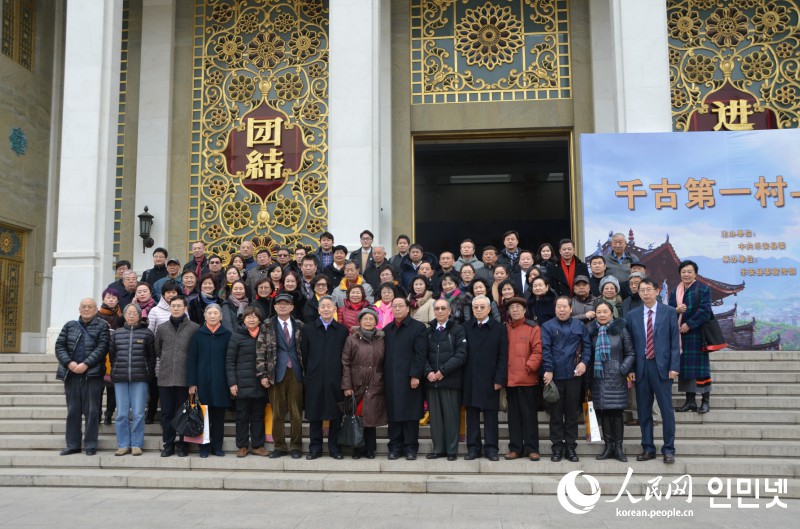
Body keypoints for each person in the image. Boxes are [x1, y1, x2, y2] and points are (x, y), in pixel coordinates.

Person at [627, 277, 680, 464]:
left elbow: (675, 341)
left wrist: (674, 366)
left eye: (648, 289)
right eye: (641, 290)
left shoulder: (669, 312)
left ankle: (669, 449)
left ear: (657, 291)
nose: (645, 293)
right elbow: (629, 344)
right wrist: (631, 368)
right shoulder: (632, 315)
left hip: (662, 368)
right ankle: (648, 448)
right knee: (643, 411)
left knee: (666, 410)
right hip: (641, 368)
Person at [55, 298, 110, 456]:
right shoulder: (69, 326)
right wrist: (69, 363)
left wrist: (86, 364)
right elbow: (59, 346)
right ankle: (73, 444)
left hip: (92, 375)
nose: (86, 309)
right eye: (83, 307)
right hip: (71, 374)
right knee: (73, 411)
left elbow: (102, 348)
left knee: (92, 411)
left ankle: (91, 444)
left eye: (89, 307)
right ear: (79, 309)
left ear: (96, 309)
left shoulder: (102, 326)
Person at [541, 296, 590, 463]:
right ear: (555, 309)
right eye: (559, 307)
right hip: (554, 376)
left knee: (571, 414)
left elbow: (587, 346)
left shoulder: (579, 325)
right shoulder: (547, 326)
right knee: (555, 414)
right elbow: (546, 349)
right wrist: (548, 369)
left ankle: (570, 447)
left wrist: (584, 362)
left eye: (564, 307)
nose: (562, 310)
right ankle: (556, 447)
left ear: (571, 309)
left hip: (574, 375)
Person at [256, 293, 305, 459]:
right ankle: (280, 446)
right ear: (275, 307)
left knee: (296, 412)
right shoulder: (267, 325)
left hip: (296, 371)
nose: (283, 306)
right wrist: (262, 374)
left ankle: (296, 446)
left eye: (286, 304)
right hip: (275, 372)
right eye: (279, 304)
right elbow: (260, 350)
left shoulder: (299, 325)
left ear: (292, 307)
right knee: (277, 412)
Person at [301, 295, 350, 459]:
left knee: (335, 415)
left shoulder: (342, 330)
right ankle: (315, 448)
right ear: (318, 309)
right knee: (314, 415)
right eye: (323, 306)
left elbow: (345, 356)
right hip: (314, 379)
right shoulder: (308, 330)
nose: (326, 309)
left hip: (335, 379)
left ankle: (334, 448)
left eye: (329, 306)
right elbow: (305, 355)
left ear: (335, 309)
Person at [587, 300, 635, 462]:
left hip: (617, 377)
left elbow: (630, 353)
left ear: (611, 313)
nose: (602, 315)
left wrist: (622, 369)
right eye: (599, 312)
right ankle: (608, 447)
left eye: (605, 311)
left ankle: (618, 448)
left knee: (617, 412)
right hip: (598, 377)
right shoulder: (591, 331)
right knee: (604, 412)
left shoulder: (621, 329)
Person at [462, 295, 507, 461]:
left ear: (489, 309)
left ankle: (491, 448)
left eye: (482, 307)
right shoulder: (466, 327)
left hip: (491, 378)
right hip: (470, 378)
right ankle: (473, 448)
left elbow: (503, 356)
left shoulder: (499, 328)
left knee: (490, 416)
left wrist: (499, 379)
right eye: (476, 307)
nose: (479, 310)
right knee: (472, 415)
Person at [154, 295, 199, 457]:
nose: (176, 308)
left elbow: (196, 354)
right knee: (167, 413)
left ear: (185, 308)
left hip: (185, 378)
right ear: (170, 308)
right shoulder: (162, 328)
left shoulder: (194, 328)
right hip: (166, 377)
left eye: (179, 306)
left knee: (184, 413)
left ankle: (183, 444)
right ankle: (168, 444)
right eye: (173, 306)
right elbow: (158, 349)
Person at [383, 297, 427, 460]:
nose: (397, 309)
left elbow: (420, 353)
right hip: (391, 379)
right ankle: (395, 447)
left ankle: (410, 448)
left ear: (408, 308)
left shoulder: (418, 328)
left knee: (410, 415)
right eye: (394, 306)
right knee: (394, 415)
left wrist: (415, 375)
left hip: (410, 379)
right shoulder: (387, 329)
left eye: (401, 306)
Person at [109, 303, 155, 456]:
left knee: (138, 413)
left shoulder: (147, 333)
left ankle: (136, 444)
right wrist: (116, 370)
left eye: (134, 312)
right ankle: (123, 444)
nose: (131, 315)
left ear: (139, 315)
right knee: (121, 413)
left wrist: (148, 373)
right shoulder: (117, 333)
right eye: (128, 312)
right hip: (121, 377)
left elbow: (151, 357)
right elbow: (112, 355)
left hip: (140, 377)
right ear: (124, 315)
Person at [342, 307, 388, 459]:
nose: (368, 321)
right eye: (365, 319)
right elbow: (345, 363)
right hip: (357, 384)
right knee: (358, 416)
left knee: (371, 418)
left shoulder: (381, 340)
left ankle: (370, 449)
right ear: (360, 321)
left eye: (371, 319)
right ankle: (357, 449)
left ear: (376, 322)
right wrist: (347, 385)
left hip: (375, 383)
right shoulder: (351, 339)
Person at [424, 299, 467, 461]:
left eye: (443, 308)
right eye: (437, 308)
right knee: (435, 418)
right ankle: (438, 449)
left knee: (451, 417)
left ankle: (451, 450)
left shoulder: (458, 330)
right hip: (431, 381)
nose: (440, 311)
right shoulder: (428, 331)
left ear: (449, 311)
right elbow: (421, 354)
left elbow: (461, 354)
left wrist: (443, 371)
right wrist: (428, 372)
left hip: (450, 380)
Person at [188, 303, 232, 457]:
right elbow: (192, 360)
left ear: (221, 316)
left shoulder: (227, 335)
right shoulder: (198, 335)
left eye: (215, 313)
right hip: (202, 382)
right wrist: (192, 383)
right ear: (205, 316)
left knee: (219, 418)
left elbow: (230, 360)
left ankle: (217, 447)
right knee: (203, 416)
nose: (212, 316)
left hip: (221, 382)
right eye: (210, 313)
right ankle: (204, 447)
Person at [669, 260, 714, 414]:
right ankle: (690, 402)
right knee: (686, 370)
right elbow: (668, 310)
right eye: (683, 272)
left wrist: (689, 324)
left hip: (697, 335)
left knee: (701, 370)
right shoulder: (675, 291)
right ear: (680, 274)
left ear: (695, 274)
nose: (686, 274)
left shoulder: (703, 289)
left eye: (689, 272)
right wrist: (676, 310)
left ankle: (705, 401)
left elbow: (705, 311)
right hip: (681, 336)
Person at [226, 305, 270, 458]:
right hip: (241, 383)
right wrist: (232, 383)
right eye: (248, 316)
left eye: (254, 316)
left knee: (258, 416)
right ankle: (242, 446)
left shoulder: (265, 335)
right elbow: (230, 361)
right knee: (242, 416)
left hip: (260, 382)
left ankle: (258, 446)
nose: (251, 319)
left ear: (259, 319)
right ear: (244, 319)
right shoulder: (236, 335)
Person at [504, 297, 542, 461]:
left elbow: (538, 351)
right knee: (513, 417)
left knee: (529, 416)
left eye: (518, 307)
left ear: (525, 310)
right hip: (510, 380)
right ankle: (515, 448)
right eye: (511, 307)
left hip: (527, 379)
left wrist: (528, 368)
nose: (514, 310)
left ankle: (532, 448)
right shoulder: (505, 328)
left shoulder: (533, 328)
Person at [96, 287, 123, 424]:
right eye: (108, 297)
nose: (111, 300)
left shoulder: (121, 316)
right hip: (100, 356)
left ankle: (109, 413)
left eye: (114, 297)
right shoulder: (97, 315)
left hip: (116, 355)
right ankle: (97, 414)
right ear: (103, 299)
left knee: (112, 388)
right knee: (98, 389)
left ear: (118, 300)